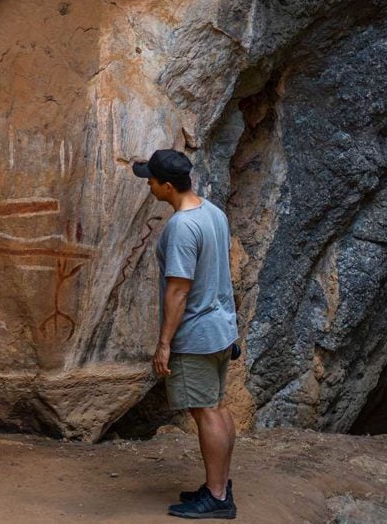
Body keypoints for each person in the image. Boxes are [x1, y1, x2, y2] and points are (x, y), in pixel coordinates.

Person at [132, 149, 239, 520]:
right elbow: (222, 269)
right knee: (218, 408)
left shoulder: (180, 227)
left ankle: (217, 496)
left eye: (151, 179)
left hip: (196, 334)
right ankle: (220, 484)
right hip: (221, 328)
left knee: (206, 412)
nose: (148, 184)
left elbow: (178, 289)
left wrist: (164, 343)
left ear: (166, 185)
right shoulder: (213, 213)